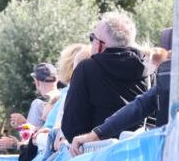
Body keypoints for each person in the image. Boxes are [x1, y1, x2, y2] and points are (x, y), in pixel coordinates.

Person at [60, 12, 150, 143]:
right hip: (141, 155)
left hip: (98, 156)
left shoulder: (87, 69)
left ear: (100, 44)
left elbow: (72, 128)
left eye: (92, 38)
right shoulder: (150, 70)